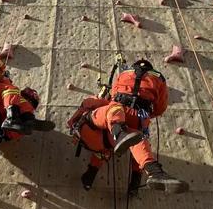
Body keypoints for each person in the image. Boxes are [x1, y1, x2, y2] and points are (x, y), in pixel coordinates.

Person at [68, 59, 188, 194]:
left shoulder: (124, 74)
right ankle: (149, 174)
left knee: (114, 114)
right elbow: (161, 107)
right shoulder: (159, 78)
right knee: (138, 140)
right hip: (137, 118)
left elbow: (113, 96)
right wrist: (146, 114)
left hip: (96, 133)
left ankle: (91, 175)